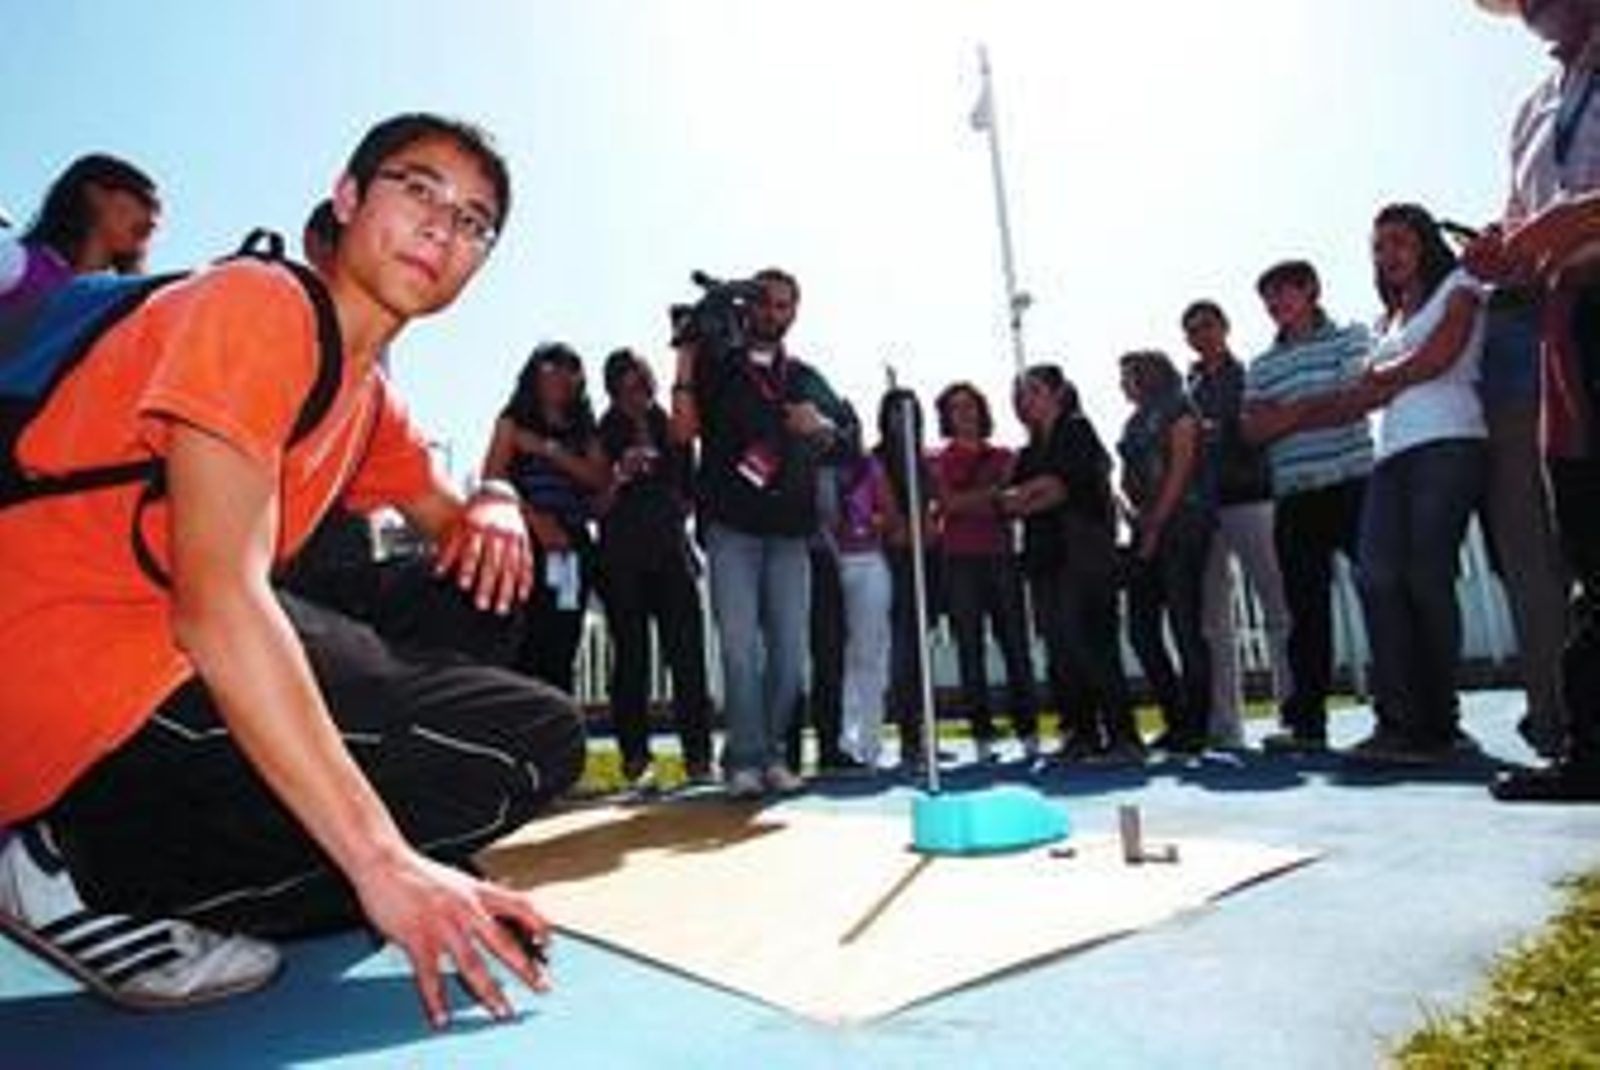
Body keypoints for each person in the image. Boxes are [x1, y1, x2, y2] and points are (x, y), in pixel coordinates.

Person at [0, 114, 586, 1026]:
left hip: (168, 649)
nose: (442, 227)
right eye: (417, 188)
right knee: (521, 753)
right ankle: (76, 865)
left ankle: (345, 826)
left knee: (480, 593)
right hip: (58, 681)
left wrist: (500, 501)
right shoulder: (259, 307)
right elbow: (219, 607)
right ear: (347, 199)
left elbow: (456, 522)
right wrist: (381, 861)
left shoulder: (365, 394)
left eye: (473, 222)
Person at [1472, 0, 1600, 800]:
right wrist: (1503, 252)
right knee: (1588, 538)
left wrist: (1577, 217)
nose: (1531, 8)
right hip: (1569, 320)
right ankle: (1590, 749)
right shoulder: (1530, 110)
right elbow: (1524, 231)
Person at [670, 267, 858, 798]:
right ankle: (743, 761)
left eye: (783, 305)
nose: (772, 314)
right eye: (764, 303)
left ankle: (771, 752)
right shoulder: (720, 366)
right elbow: (682, 432)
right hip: (731, 526)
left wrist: (818, 428)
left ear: (794, 313)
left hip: (791, 530)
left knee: (790, 651)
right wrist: (684, 356)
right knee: (737, 647)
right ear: (747, 307)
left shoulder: (803, 376)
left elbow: (850, 443)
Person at [1242, 260, 1374, 754]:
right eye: (1268, 297)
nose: (1276, 304)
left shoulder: (1350, 336)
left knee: (1381, 597)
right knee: (1305, 615)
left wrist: (1286, 415)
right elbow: (1253, 430)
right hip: (1295, 497)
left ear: (1311, 290)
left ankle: (1404, 711)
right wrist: (1313, 407)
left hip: (1354, 485)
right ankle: (1307, 724)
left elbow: (1355, 399)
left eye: (1284, 292)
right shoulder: (1261, 365)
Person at [999, 365, 1143, 764]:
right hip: (1045, 557)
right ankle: (1081, 731)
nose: (1024, 400)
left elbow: (1056, 490)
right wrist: (1028, 494)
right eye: (1020, 394)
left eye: (1033, 391)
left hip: (1084, 557)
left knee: (1094, 644)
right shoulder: (1029, 451)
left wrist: (1029, 494)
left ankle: (1123, 737)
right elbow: (1008, 501)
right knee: (1060, 649)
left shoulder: (1077, 431)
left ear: (1058, 393)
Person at [593, 347, 714, 788]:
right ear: (611, 391)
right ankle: (634, 760)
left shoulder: (671, 424)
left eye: (641, 385)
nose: (634, 396)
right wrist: (620, 474)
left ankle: (699, 757)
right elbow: (595, 504)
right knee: (631, 659)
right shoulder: (601, 431)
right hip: (621, 557)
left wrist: (673, 503)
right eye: (624, 389)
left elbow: (689, 491)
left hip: (670, 552)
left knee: (688, 656)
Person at [1183, 300, 1293, 748]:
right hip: (1206, 508)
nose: (1200, 334)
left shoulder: (1247, 375)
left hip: (1252, 495)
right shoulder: (1188, 385)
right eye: (1191, 329)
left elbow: (1255, 426)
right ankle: (1225, 724)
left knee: (1276, 608)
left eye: (1207, 325)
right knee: (1214, 622)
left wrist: (1217, 430)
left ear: (1225, 327)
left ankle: (1292, 712)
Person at [482, 342, 609, 695]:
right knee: (522, 640)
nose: (562, 375)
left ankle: (558, 730)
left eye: (571, 368)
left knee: (564, 640)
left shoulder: (584, 428)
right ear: (535, 374)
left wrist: (546, 449)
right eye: (552, 366)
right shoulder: (512, 422)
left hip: (572, 546)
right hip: (522, 539)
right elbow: (492, 481)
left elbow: (598, 478)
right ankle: (518, 731)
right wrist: (535, 520)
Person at [933, 381, 1039, 763]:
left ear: (982, 410)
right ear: (946, 416)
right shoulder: (938, 459)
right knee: (970, 648)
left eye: (970, 406)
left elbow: (1016, 503)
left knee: (1015, 644)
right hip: (959, 558)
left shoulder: (1005, 455)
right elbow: (948, 503)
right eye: (955, 408)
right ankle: (982, 733)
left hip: (1000, 556)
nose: (964, 414)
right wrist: (992, 497)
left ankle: (1028, 729)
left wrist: (979, 502)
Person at [1117, 349, 1215, 756]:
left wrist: (1156, 522)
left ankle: (1196, 725)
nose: (1122, 383)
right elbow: (1128, 477)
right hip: (1144, 528)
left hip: (1182, 525)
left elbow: (1180, 468)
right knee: (1141, 629)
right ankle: (1174, 716)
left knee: (1185, 626)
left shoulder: (1179, 409)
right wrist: (1133, 514)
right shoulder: (1134, 421)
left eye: (1129, 374)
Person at [0, 153, 160, 315]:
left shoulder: (121, 301)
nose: (154, 223)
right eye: (146, 202)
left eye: (157, 214)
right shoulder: (18, 262)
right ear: (95, 194)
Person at [829, 448, 895, 769]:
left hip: (868, 560)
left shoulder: (869, 464)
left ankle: (871, 744)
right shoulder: (814, 461)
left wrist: (874, 520)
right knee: (835, 655)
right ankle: (841, 740)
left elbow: (892, 515)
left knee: (868, 654)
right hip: (828, 563)